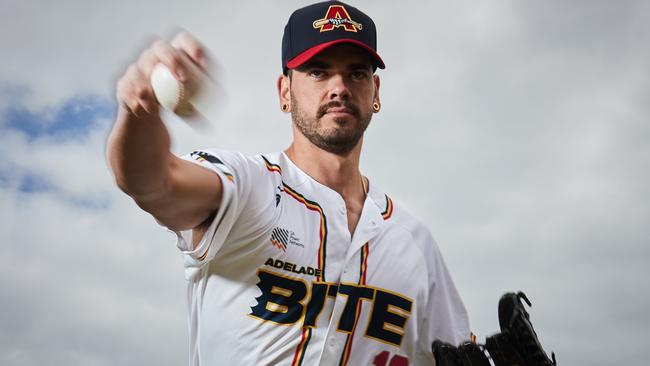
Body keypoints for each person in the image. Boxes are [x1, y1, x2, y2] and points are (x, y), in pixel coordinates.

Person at [107, 1, 470, 365]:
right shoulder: (250, 188)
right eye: (317, 71)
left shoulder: (415, 243)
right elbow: (153, 181)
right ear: (284, 92)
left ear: (375, 92)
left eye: (356, 73)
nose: (339, 87)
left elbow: (457, 352)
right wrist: (139, 108)